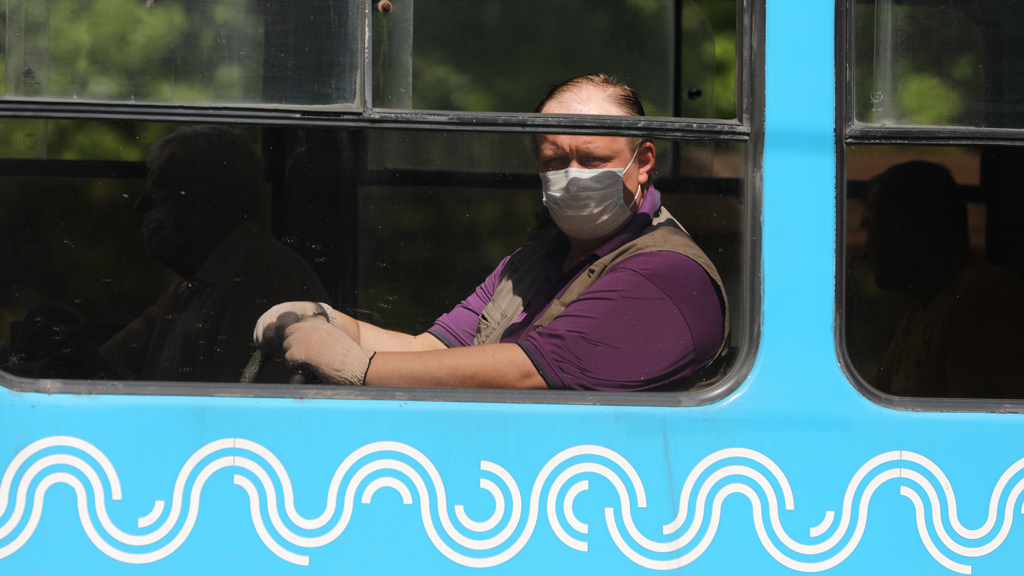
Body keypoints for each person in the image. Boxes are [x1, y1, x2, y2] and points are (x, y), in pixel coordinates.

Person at [254, 74, 729, 391]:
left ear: (643, 162)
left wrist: (359, 367)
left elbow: (525, 371)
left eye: (593, 160)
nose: (573, 175)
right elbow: (429, 350)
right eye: (555, 161)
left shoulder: (667, 275)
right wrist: (336, 323)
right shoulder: (534, 261)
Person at [99, 126, 329, 383]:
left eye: (159, 189)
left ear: (214, 196)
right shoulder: (189, 287)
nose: (140, 205)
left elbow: (247, 400)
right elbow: (107, 363)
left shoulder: (268, 276)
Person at [861, 161, 1024, 398]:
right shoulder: (926, 306)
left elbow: (979, 418)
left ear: (904, 228)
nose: (865, 248)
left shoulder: (983, 298)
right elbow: (871, 397)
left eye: (870, 226)